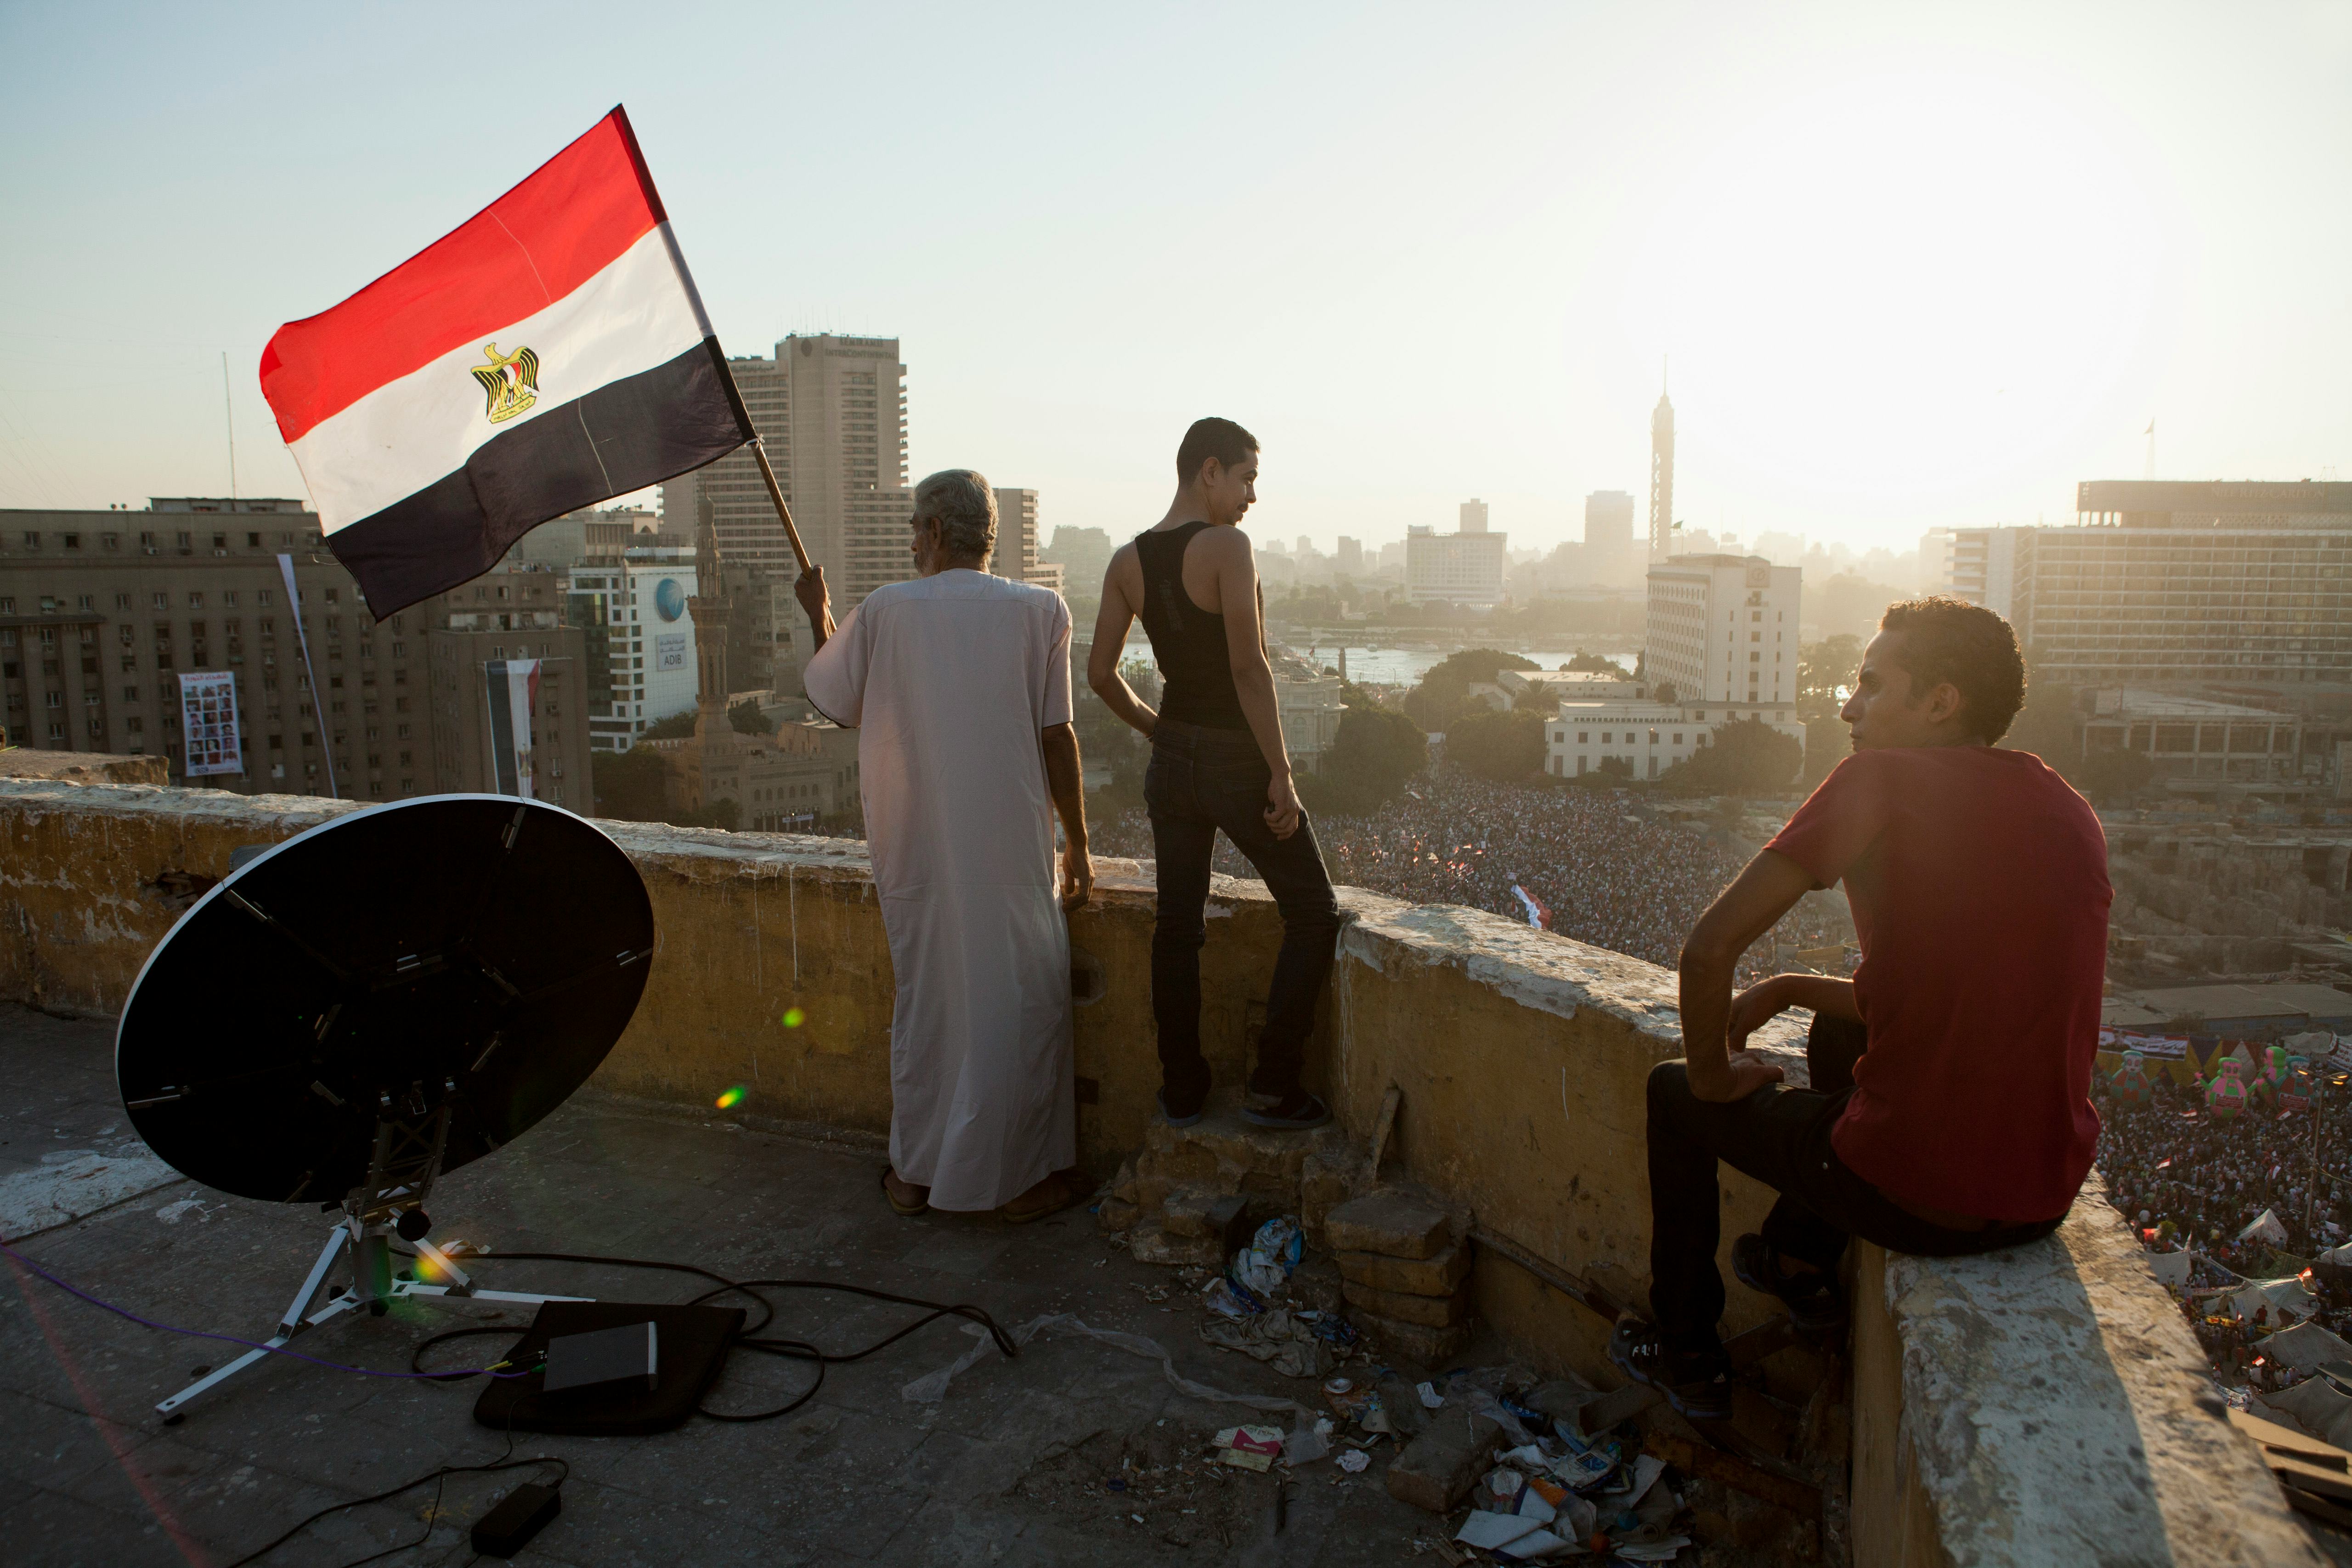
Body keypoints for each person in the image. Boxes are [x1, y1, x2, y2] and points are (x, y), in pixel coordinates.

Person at [1616, 597, 2111, 1419]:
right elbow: (1934, 1001)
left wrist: (1711, 1077)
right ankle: (1798, 1258)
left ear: (1940, 702)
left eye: (1873, 685)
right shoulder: (2065, 805)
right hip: (2040, 1197)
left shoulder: (1880, 778)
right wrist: (1788, 986)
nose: (1849, 706)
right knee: (1839, 1024)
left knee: (1672, 1094)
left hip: (1922, 1198)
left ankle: (1687, 1352)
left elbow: (1706, 951)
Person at [798, 469, 1093, 1221]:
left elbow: (839, 701)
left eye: (914, 529)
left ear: (933, 532)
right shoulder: (1041, 610)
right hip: (1009, 853)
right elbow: (1057, 736)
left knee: (929, 1003)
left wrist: (820, 614)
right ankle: (1015, 1183)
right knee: (1018, 1004)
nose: (911, 543)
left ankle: (916, 1175)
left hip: (920, 853)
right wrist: (1079, 846)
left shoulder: (886, 610)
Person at [1086, 418, 1339, 1130]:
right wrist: (1282, 772)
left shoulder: (1127, 561)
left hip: (1173, 761)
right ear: (1209, 471)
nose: (1252, 496)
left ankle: (1183, 1088)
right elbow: (1249, 667)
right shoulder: (1229, 547)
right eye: (1247, 478)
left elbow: (1100, 674)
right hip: (1234, 756)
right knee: (1314, 912)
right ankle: (1275, 1083)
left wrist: (1157, 729)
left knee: (1177, 928)